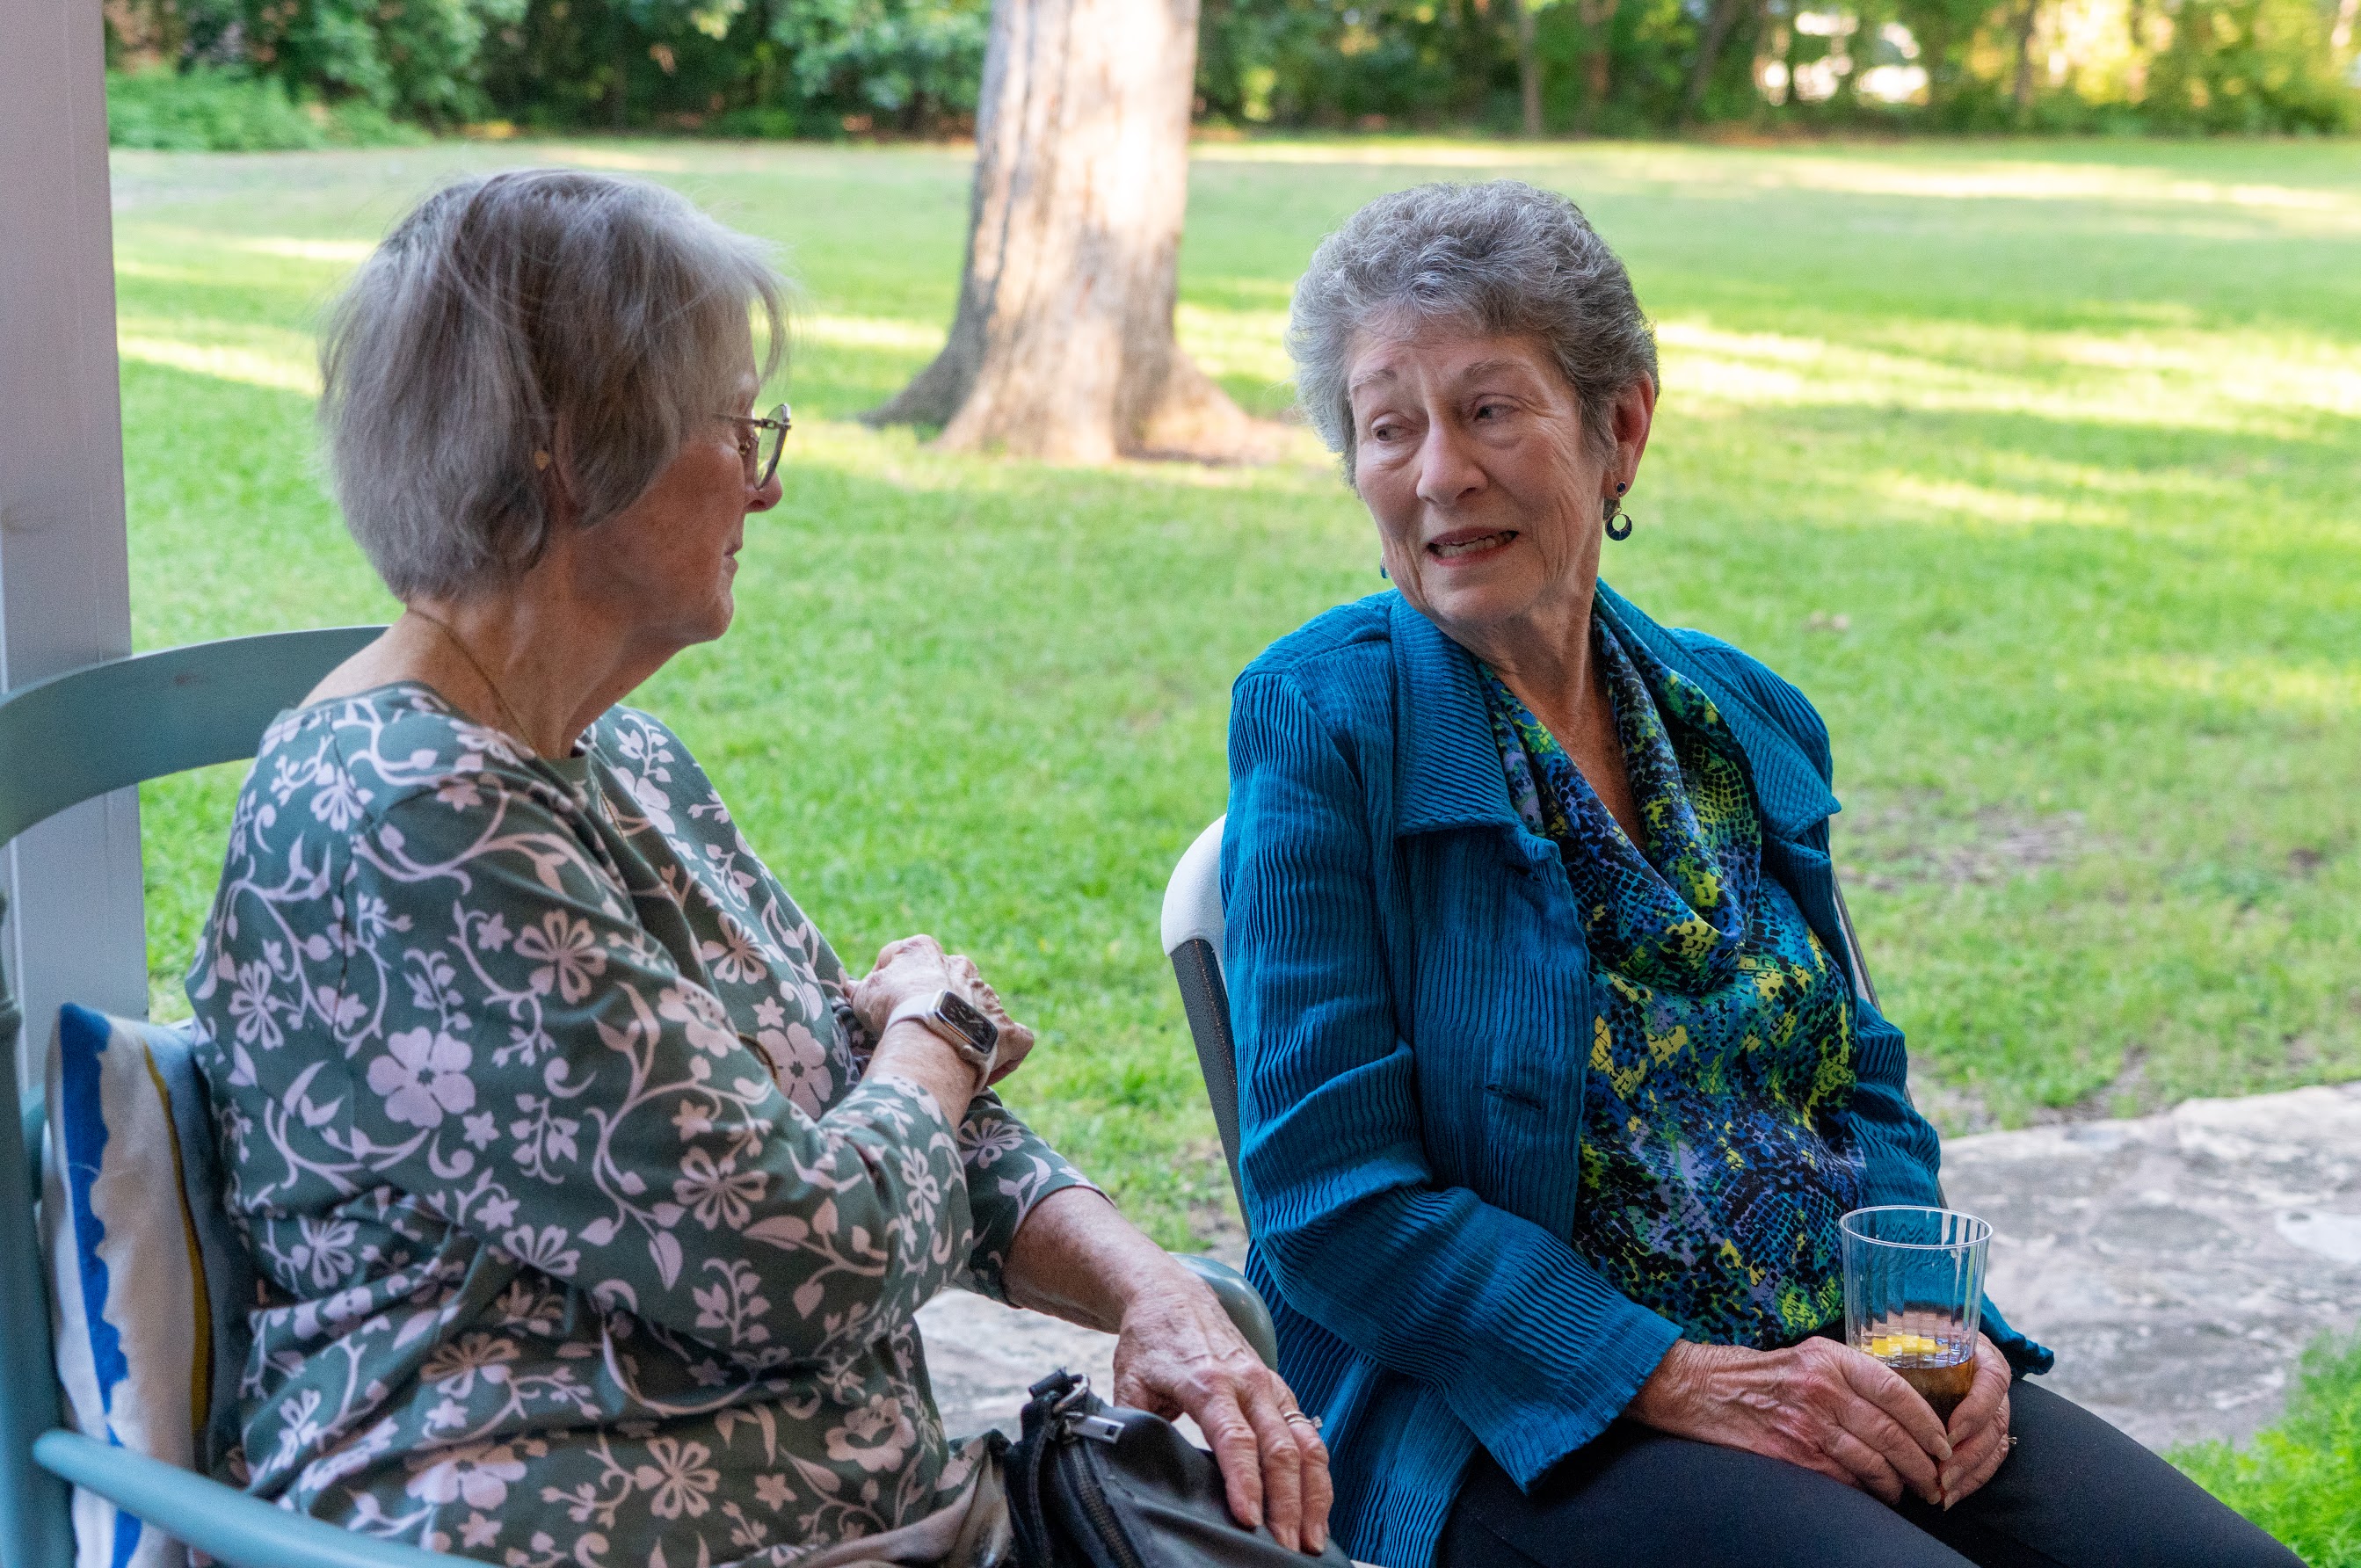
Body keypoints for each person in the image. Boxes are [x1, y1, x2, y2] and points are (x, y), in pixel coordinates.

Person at [186, 168, 1332, 1568]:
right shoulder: (414, 816)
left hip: (884, 1520)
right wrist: (937, 1036)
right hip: (549, 1521)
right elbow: (803, 1260)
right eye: (735, 430)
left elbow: (891, 1121)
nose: (767, 483)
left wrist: (1151, 1288)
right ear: (572, 453)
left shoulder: (620, 757)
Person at [1219, 179, 2297, 1568]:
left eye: (1488, 410)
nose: (1439, 473)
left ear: (1619, 430)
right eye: (1389, 428)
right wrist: (1678, 1378)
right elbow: (1329, 1197)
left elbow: (1857, 1076)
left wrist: (1932, 1326)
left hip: (1840, 1359)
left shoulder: (1737, 715)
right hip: (1526, 1411)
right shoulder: (1324, 719)